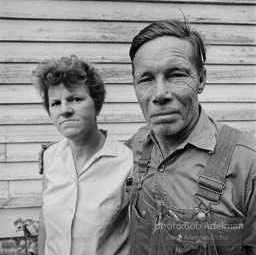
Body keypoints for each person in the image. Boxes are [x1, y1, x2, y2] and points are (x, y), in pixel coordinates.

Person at [126, 19, 256, 254]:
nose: (160, 94)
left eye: (176, 75)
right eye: (146, 79)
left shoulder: (249, 166)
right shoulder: (138, 143)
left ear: (201, 80)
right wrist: (61, 151)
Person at [32, 55, 133, 255]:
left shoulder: (127, 163)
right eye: (55, 103)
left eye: (75, 99)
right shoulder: (50, 157)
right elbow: (45, 222)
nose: (65, 110)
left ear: (97, 104)